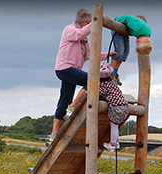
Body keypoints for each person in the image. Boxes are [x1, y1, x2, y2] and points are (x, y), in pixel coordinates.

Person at [49, 8, 114, 141]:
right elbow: (80, 33)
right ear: (83, 22)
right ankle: (73, 106)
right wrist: (97, 20)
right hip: (65, 68)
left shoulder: (84, 40)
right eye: (89, 23)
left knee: (64, 99)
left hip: (70, 71)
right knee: (92, 81)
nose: (90, 27)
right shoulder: (70, 30)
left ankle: (54, 134)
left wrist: (108, 55)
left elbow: (91, 55)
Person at [110, 15, 153, 86]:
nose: (136, 42)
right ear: (146, 40)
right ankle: (110, 73)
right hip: (118, 25)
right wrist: (116, 26)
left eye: (138, 42)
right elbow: (127, 18)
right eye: (138, 42)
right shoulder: (139, 28)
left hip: (124, 31)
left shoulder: (144, 34)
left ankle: (115, 72)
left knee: (125, 53)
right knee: (119, 51)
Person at [98, 62, 130, 152]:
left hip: (116, 107)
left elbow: (100, 94)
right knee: (117, 125)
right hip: (125, 106)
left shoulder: (102, 85)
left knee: (114, 125)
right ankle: (116, 142)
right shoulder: (112, 84)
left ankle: (112, 144)